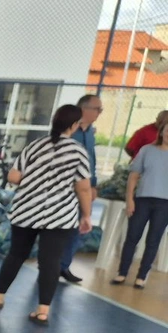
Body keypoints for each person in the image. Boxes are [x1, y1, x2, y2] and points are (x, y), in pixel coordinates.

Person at [0, 105, 92, 326]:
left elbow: (14, 177)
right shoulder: (77, 151)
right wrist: (86, 215)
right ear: (74, 125)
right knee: (51, 261)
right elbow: (83, 187)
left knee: (16, 254)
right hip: (60, 214)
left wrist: (35, 179)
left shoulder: (34, 146)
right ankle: (43, 310)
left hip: (26, 209)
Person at [113, 120, 168, 289]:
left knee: (153, 241)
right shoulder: (147, 150)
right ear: (161, 132)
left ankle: (141, 277)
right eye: (166, 130)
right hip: (142, 200)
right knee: (132, 237)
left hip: (164, 204)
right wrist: (130, 199)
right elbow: (134, 176)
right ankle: (122, 273)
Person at [60, 94, 102, 284]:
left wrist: (93, 184)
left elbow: (91, 160)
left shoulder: (90, 133)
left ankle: (64, 266)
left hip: (84, 189)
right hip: (65, 189)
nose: (99, 113)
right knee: (60, 228)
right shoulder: (68, 131)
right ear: (84, 109)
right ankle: (50, 266)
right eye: (97, 109)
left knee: (77, 228)